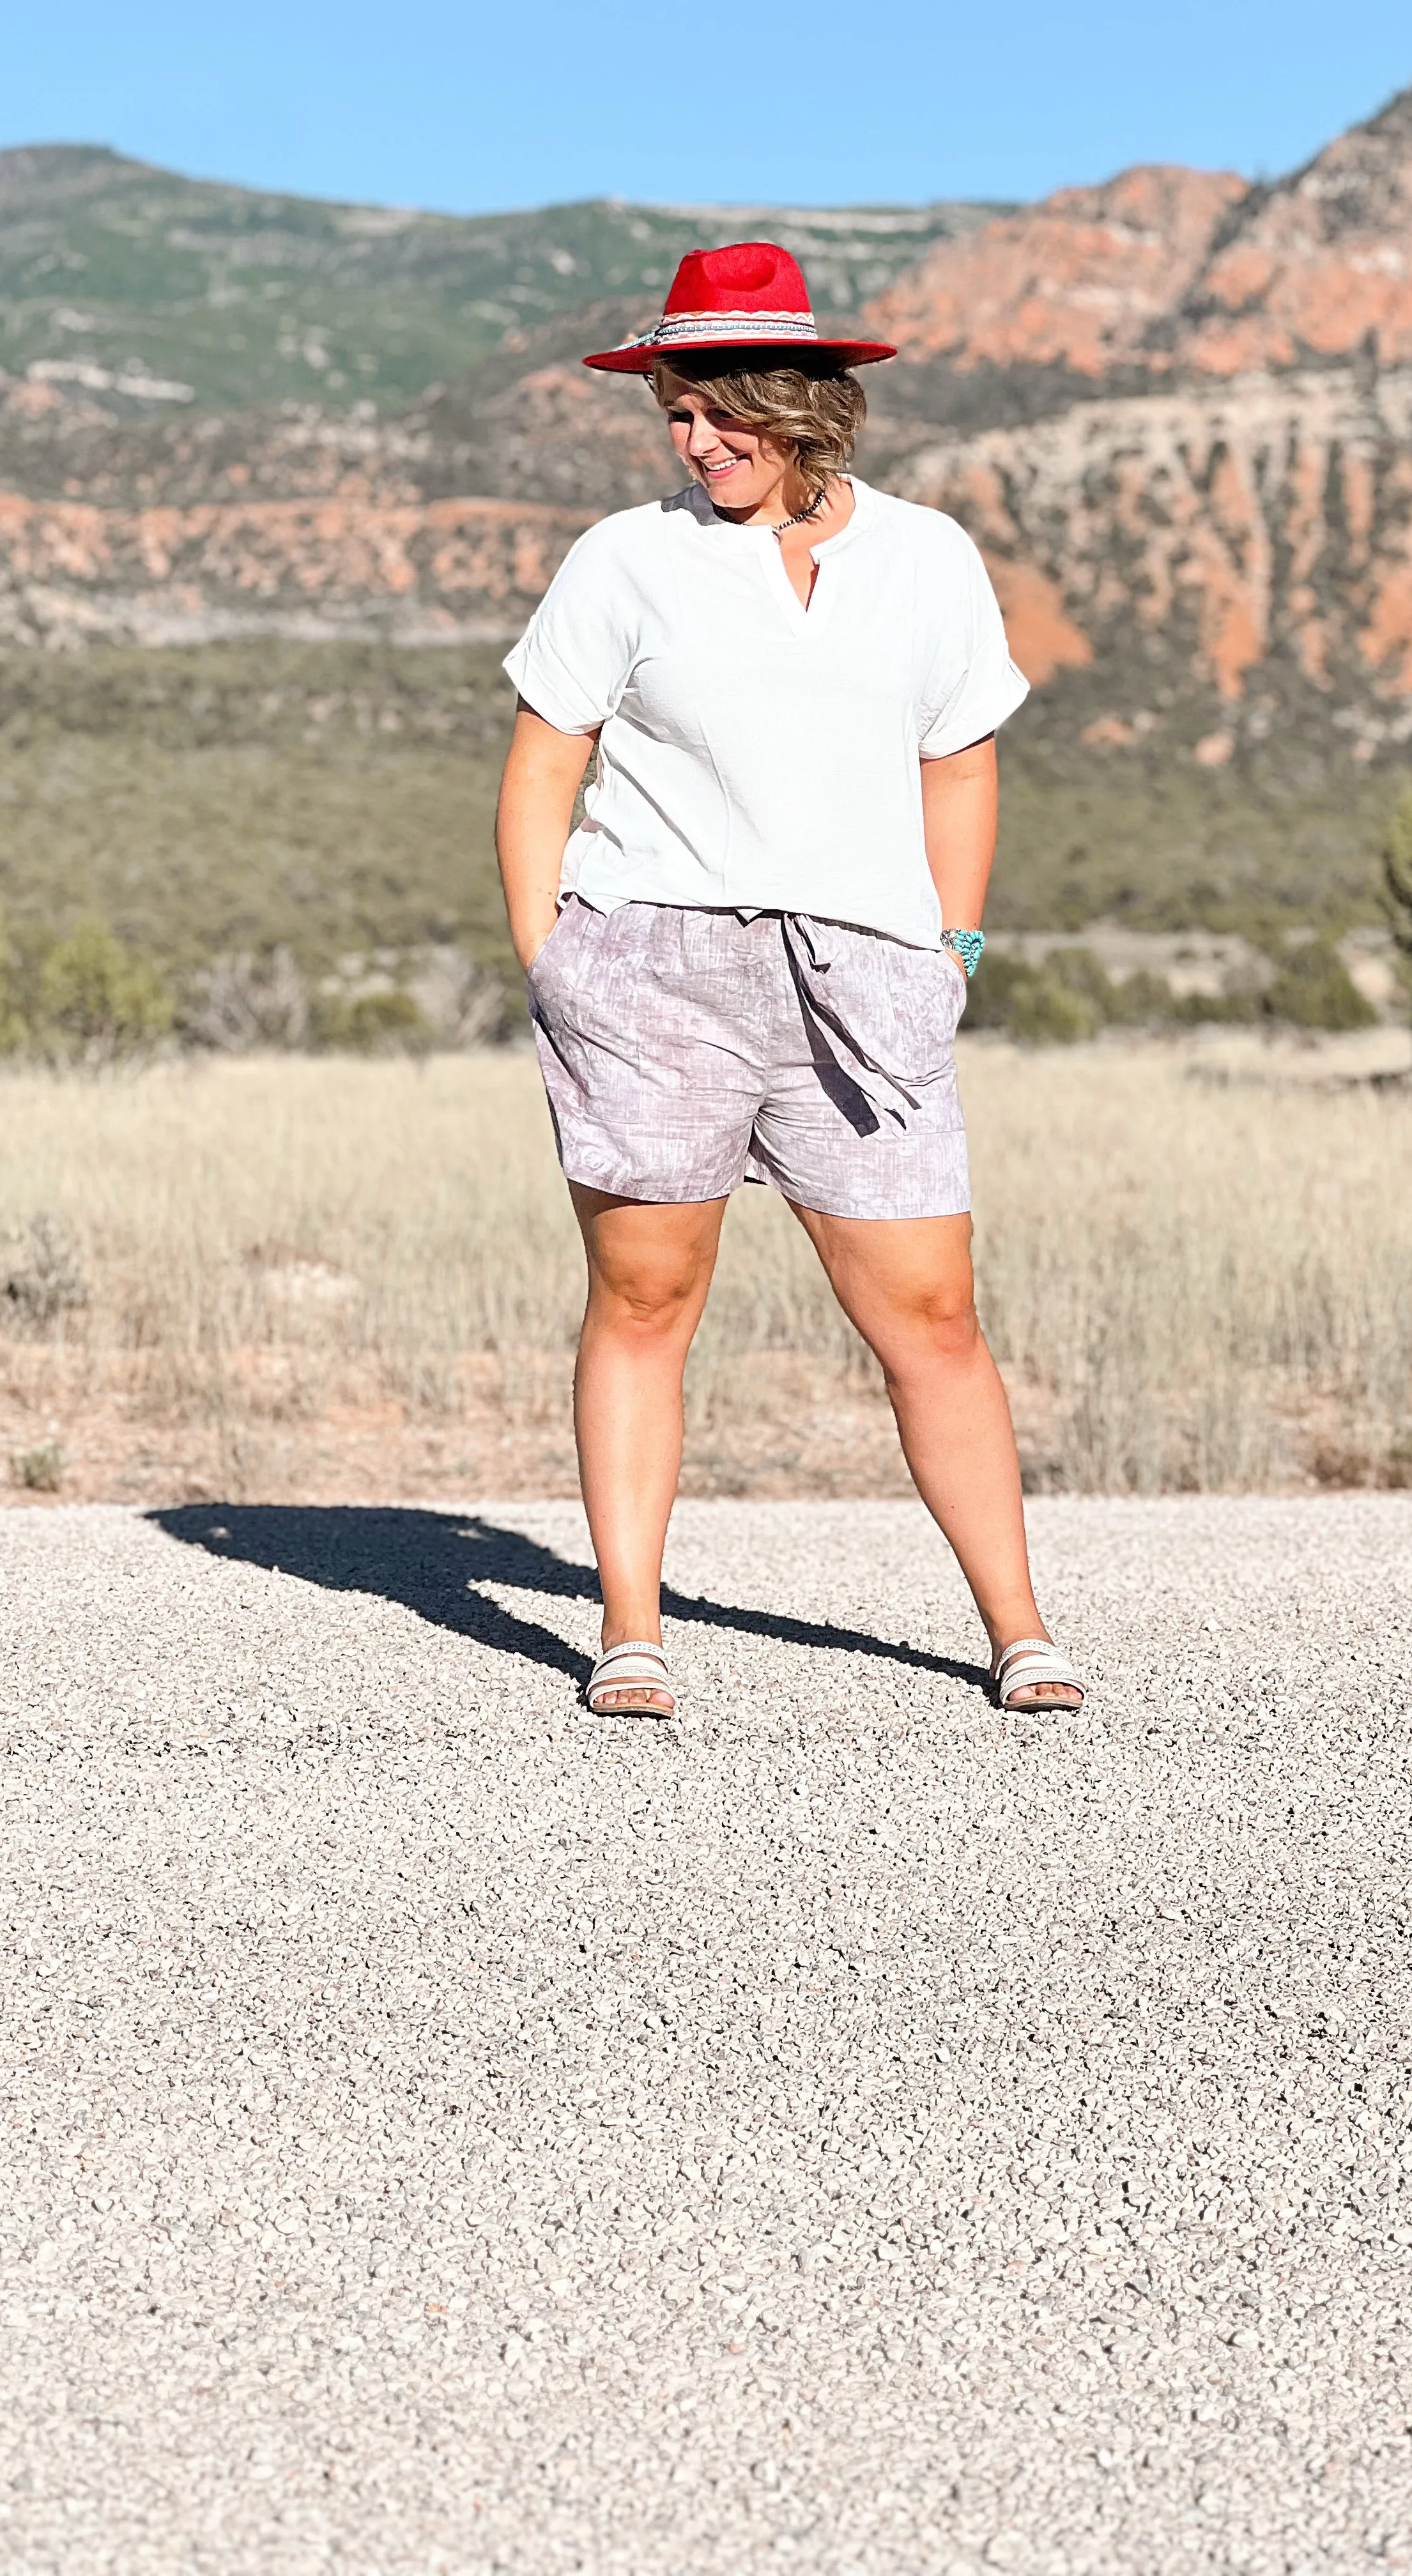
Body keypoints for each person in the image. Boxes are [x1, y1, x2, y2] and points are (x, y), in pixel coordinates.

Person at [495, 240, 1085, 1722]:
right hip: (655, 964)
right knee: (643, 1298)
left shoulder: (929, 557)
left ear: (799, 402)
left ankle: (1020, 1632)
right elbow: (540, 767)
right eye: (675, 415)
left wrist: (952, 954)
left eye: (718, 411)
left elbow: (963, 760)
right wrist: (553, 962)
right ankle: (629, 1629)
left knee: (933, 1318)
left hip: (865, 974)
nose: (695, 442)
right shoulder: (625, 560)